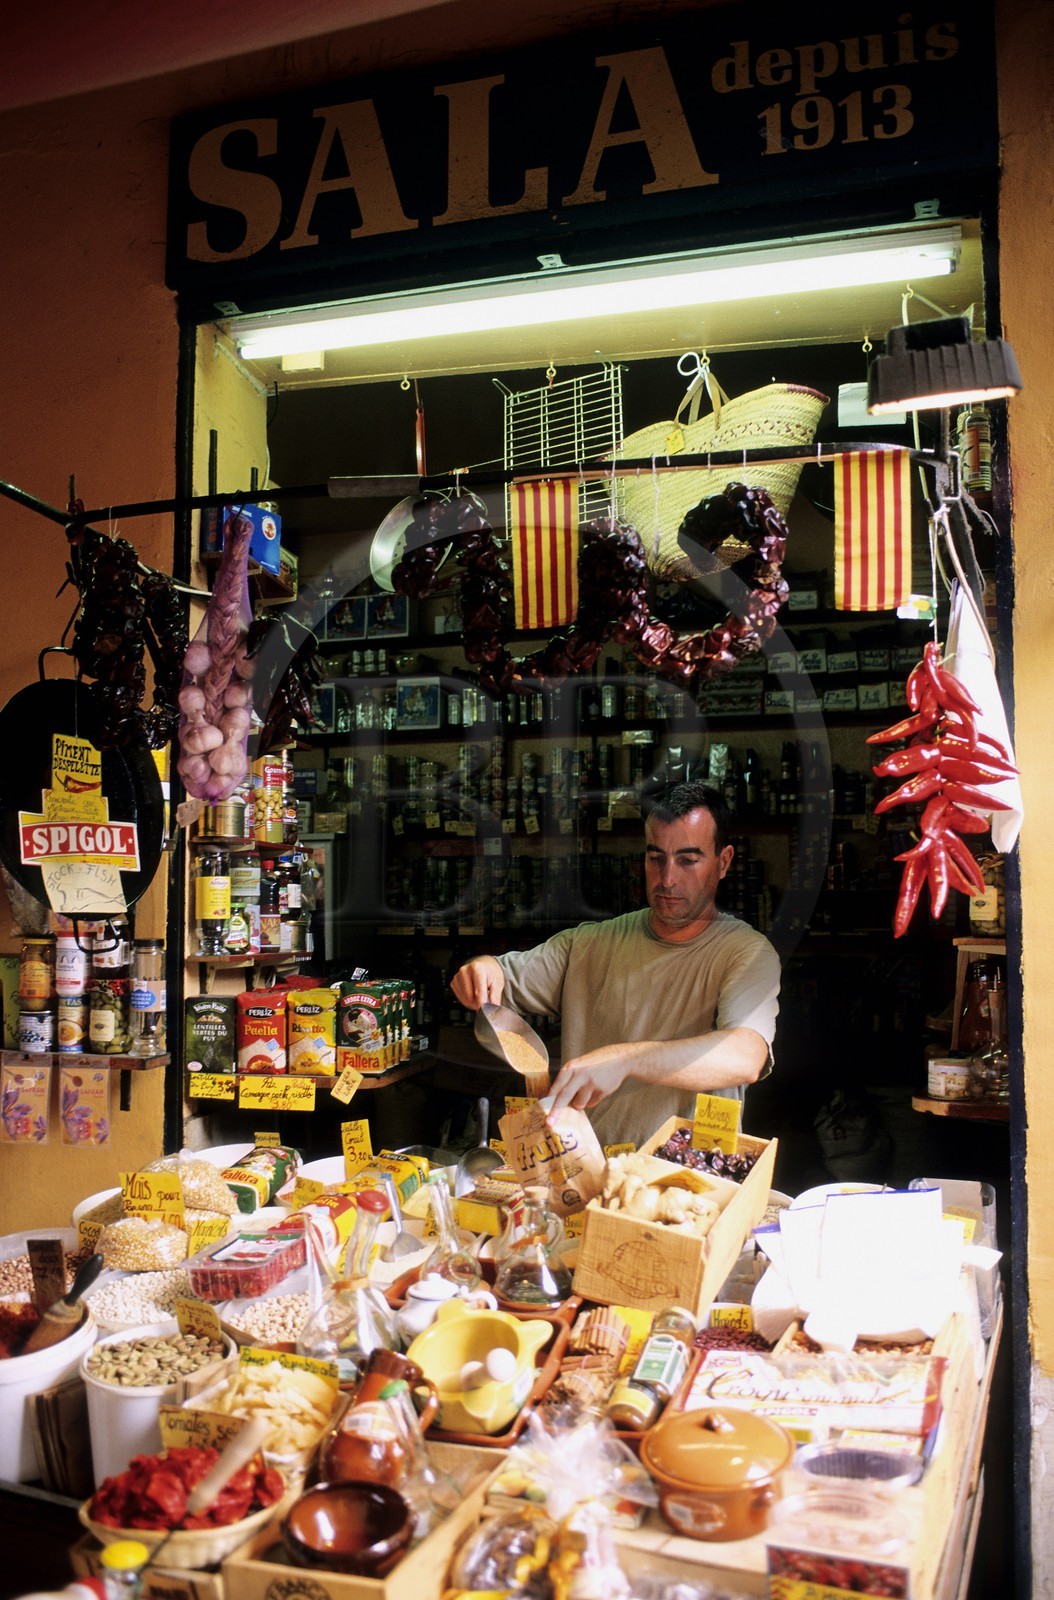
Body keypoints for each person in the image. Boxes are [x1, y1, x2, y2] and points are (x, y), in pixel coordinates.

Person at [450, 780, 781, 1148]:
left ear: (724, 862)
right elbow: (501, 977)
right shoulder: (590, 943)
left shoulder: (746, 952)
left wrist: (625, 1059)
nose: (667, 878)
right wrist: (482, 967)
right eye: (656, 858)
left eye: (688, 860)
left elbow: (746, 1056)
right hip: (583, 1171)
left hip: (686, 1183)